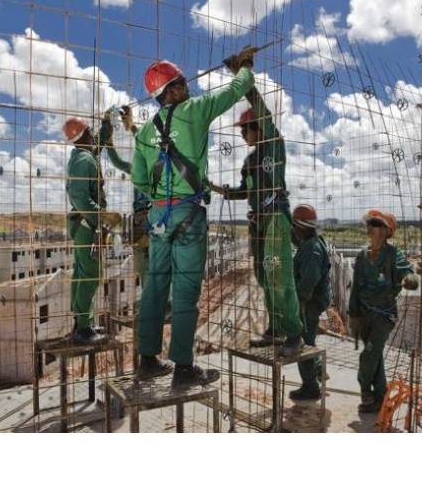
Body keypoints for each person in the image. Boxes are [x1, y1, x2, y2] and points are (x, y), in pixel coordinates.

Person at [132, 46, 256, 388]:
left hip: (160, 217)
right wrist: (244, 66)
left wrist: (159, 197)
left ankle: (147, 360)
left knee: (155, 286)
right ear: (169, 90)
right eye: (182, 82)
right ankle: (184, 368)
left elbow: (140, 179)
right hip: (188, 212)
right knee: (185, 290)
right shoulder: (195, 110)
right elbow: (235, 91)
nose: (188, 86)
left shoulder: (144, 134)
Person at [211, 85, 303, 356]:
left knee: (277, 275)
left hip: (275, 217)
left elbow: (264, 114)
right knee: (264, 277)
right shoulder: (250, 162)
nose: (242, 135)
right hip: (258, 222)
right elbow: (245, 191)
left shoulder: (273, 147)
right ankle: (276, 329)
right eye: (240, 131)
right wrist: (223, 191)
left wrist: (247, 84)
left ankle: (294, 333)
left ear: (258, 128)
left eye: (245, 129)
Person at [348, 209, 419, 413]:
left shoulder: (393, 254)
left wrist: (409, 279)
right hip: (364, 315)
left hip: (383, 316)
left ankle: (365, 392)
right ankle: (381, 396)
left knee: (368, 355)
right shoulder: (362, 256)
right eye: (370, 223)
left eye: (376, 223)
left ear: (386, 231)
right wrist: (353, 315)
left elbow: (406, 270)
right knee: (376, 357)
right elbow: (355, 289)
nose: (370, 226)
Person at [64, 116, 120, 344]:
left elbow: (95, 147)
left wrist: (106, 128)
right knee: (91, 274)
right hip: (87, 225)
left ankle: (81, 323)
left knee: (81, 273)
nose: (92, 134)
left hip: (83, 225)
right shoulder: (84, 160)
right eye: (90, 131)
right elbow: (79, 196)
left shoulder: (82, 155)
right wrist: (101, 216)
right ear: (85, 135)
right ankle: (83, 330)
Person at [102, 106, 151, 288]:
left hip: (149, 219)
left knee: (149, 265)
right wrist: (110, 140)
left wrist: (130, 128)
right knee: (145, 265)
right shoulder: (139, 168)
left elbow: (142, 145)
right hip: (143, 220)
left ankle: (160, 305)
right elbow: (116, 161)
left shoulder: (154, 168)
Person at [289, 204, 331, 401]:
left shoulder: (312, 248)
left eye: (294, 226)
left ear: (301, 226)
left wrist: (299, 302)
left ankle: (311, 387)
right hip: (312, 301)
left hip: (309, 303)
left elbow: (309, 279)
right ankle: (319, 370)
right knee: (308, 340)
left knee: (304, 343)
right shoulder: (311, 243)